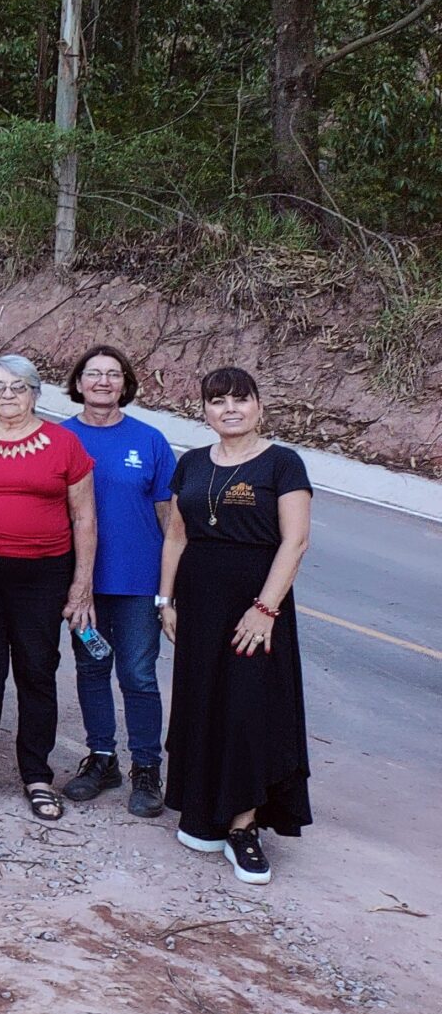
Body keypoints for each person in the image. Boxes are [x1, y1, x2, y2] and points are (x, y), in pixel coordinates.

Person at [159, 368, 312, 885]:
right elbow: (176, 538)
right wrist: (166, 600)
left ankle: (244, 826)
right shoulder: (193, 464)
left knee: (249, 709)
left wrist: (265, 608)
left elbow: (295, 542)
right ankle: (203, 811)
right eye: (217, 400)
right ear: (203, 411)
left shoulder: (283, 464)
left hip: (256, 607)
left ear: (259, 406)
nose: (229, 409)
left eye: (240, 400)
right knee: (202, 702)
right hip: (198, 604)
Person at [0, 355, 96, 822]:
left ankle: (36, 774)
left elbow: (84, 517)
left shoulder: (64, 445)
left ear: (35, 392)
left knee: (37, 671)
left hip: (43, 575)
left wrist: (81, 586)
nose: (8, 396)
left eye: (19, 387)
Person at [60, 345, 172, 815]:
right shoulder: (59, 438)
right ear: (78, 383)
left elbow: (171, 518)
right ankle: (101, 757)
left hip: (138, 584)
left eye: (113, 374)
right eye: (93, 374)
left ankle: (146, 767)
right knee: (91, 669)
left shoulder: (149, 441)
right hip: (81, 585)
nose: (103, 382)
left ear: (125, 384)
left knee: (139, 676)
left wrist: (172, 588)